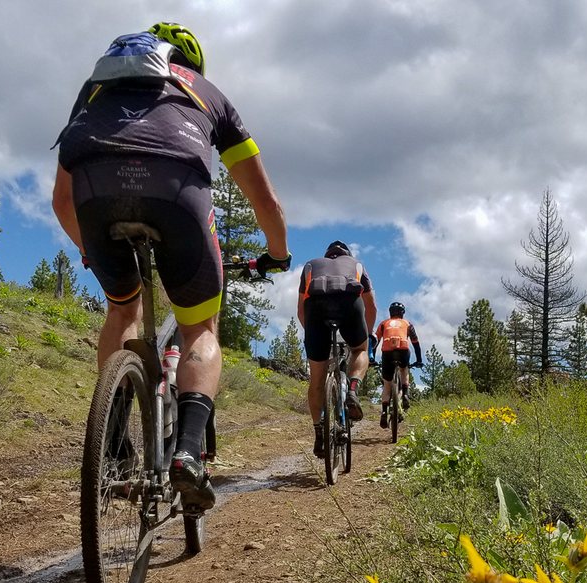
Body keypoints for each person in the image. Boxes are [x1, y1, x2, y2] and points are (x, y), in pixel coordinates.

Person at [52, 23, 290, 510]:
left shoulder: (95, 90)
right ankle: (186, 454)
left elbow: (61, 201)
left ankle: (114, 442)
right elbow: (264, 199)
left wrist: (90, 249)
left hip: (96, 195)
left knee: (123, 311)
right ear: (190, 65)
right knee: (199, 327)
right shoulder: (207, 93)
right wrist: (278, 253)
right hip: (175, 193)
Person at [297, 241, 377, 457]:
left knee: (316, 382)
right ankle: (351, 390)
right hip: (349, 304)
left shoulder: (310, 266)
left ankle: (319, 433)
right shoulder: (357, 264)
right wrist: (367, 336)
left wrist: (314, 337)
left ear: (327, 255)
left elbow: (301, 310)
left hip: (316, 310)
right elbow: (371, 306)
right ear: (346, 255)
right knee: (360, 350)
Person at [371, 301, 422, 428]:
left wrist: (371, 357)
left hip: (387, 353)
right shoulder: (408, 324)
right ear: (402, 313)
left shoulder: (383, 324)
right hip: (403, 351)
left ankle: (384, 411)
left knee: (387, 385)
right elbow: (416, 343)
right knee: (404, 369)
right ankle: (405, 393)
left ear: (390, 313)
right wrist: (419, 359)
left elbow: (375, 342)